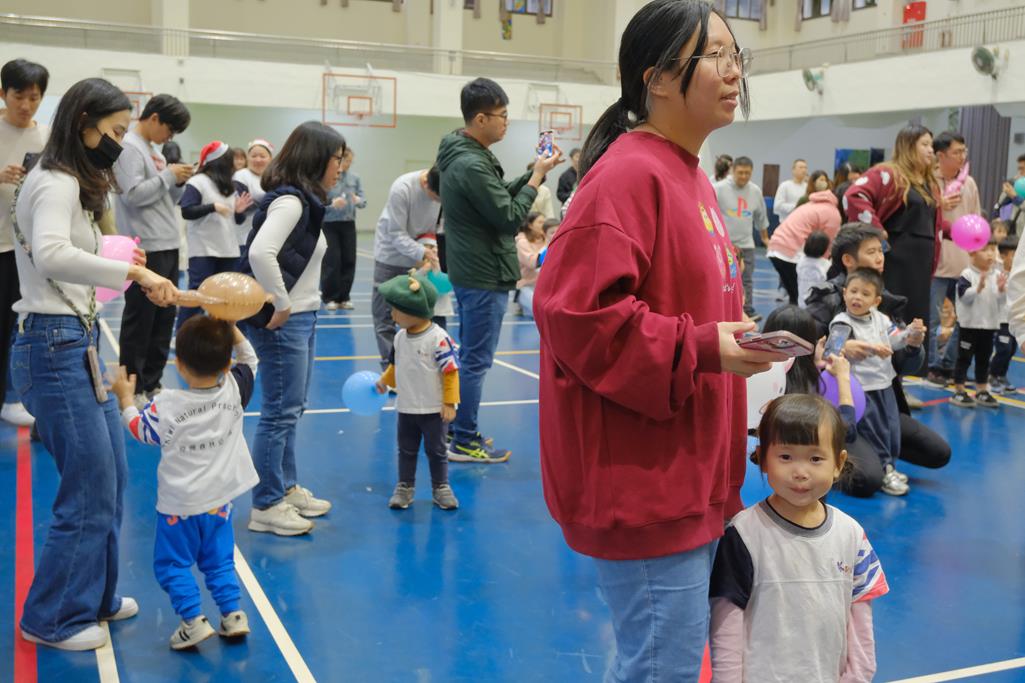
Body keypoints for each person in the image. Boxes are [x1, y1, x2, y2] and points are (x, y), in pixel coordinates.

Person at [533, 3, 788, 679]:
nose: (734, 72)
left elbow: (688, 306)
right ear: (659, 78)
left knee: (662, 663)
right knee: (659, 669)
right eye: (716, 56)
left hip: (689, 470)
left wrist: (737, 339)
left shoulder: (689, 174)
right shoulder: (627, 176)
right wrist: (700, 347)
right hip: (645, 482)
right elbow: (576, 316)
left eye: (737, 56)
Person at [11, 77, 178, 650]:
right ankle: (51, 618)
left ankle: (94, 595)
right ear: (83, 122)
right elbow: (52, 254)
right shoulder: (55, 179)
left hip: (75, 343)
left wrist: (118, 255)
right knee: (87, 487)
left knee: (111, 477)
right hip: (52, 348)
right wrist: (134, 272)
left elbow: (74, 252)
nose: (119, 143)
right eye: (114, 131)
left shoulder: (67, 182)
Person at [709, 393, 887, 682]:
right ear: (763, 459)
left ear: (838, 463)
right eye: (785, 457)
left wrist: (858, 676)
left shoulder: (851, 534)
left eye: (816, 459)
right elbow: (726, 619)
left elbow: (861, 616)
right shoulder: (744, 533)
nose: (800, 472)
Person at [435, 76, 562, 463]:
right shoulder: (471, 164)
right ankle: (464, 440)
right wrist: (536, 179)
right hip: (483, 273)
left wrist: (535, 171)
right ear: (480, 119)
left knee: (468, 356)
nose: (506, 122)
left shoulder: (464, 154)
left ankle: (457, 428)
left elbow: (498, 195)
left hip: (473, 270)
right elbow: (508, 217)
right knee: (476, 360)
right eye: (502, 115)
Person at [111, 317, 257, 650]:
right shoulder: (234, 389)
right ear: (226, 364)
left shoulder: (167, 404)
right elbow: (250, 359)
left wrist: (126, 400)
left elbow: (140, 431)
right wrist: (230, 325)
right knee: (219, 561)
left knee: (172, 564)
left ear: (178, 364)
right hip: (219, 503)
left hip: (179, 507)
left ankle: (193, 621)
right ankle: (233, 614)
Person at [238, 121, 344, 536]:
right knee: (280, 412)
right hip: (288, 322)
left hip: (304, 316)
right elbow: (260, 253)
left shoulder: (304, 202)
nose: (340, 167)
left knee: (290, 409)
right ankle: (266, 505)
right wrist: (281, 302)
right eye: (336, 159)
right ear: (317, 159)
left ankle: (284, 487)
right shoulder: (291, 203)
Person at [805, 223, 951, 492]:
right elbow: (803, 353)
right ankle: (835, 448)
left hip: (881, 395)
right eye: (871, 251)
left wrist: (912, 344)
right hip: (840, 407)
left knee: (938, 452)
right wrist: (835, 349)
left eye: (881, 251)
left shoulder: (884, 305)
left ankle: (878, 456)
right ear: (848, 260)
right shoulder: (825, 301)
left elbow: (902, 361)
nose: (880, 257)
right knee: (867, 479)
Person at [113, 94, 193, 407]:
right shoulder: (130, 148)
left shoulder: (153, 151)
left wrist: (178, 182)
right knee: (141, 319)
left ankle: (153, 382)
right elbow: (132, 195)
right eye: (169, 130)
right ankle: (133, 386)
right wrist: (168, 175)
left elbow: (165, 198)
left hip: (167, 242)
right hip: (145, 246)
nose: (169, 138)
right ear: (155, 118)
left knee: (164, 316)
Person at [844, 124, 942, 374]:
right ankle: (882, 374)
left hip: (920, 265)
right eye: (924, 144)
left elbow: (931, 223)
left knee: (913, 322)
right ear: (908, 146)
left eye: (931, 145)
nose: (931, 150)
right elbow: (854, 195)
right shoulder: (888, 173)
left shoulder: (929, 183)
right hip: (896, 261)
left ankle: (902, 377)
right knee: (892, 317)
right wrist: (878, 232)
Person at [761, 305, 884, 498]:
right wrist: (843, 377)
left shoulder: (758, 372)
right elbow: (848, 431)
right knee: (869, 476)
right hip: (833, 431)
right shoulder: (809, 386)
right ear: (811, 344)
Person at [830, 268, 926, 495]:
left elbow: (896, 340)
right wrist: (870, 348)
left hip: (885, 386)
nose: (857, 297)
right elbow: (832, 350)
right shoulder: (841, 322)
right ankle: (884, 470)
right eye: (853, 291)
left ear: (876, 300)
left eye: (865, 294)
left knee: (890, 429)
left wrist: (911, 334)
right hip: (863, 390)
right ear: (844, 293)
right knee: (874, 431)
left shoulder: (881, 319)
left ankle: (890, 466)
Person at [374, 272, 461, 510]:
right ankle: (405, 487)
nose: (391, 315)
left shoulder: (438, 338)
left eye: (396, 310)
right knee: (406, 450)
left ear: (414, 311)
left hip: (434, 410)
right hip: (406, 408)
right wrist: (384, 381)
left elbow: (451, 372)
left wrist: (449, 403)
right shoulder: (400, 338)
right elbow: (395, 366)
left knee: (437, 451)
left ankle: (441, 487)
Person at [0, 58, 49, 427]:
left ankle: (13, 396)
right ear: (3, 93)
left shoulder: (47, 137)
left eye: (34, 97)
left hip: (30, 249)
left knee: (22, 326)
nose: (26, 105)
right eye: (19, 96)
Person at [371, 167, 442, 368]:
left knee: (419, 318)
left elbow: (437, 226)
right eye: (436, 197)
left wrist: (431, 246)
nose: (438, 202)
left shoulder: (444, 187)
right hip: (391, 258)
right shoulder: (402, 188)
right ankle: (390, 370)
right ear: (426, 183)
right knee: (385, 319)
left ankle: (416, 368)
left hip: (421, 258)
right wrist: (423, 252)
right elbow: (396, 233)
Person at [176, 140, 251, 329]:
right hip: (203, 249)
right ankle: (183, 333)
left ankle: (219, 336)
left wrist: (239, 212)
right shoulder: (197, 182)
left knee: (224, 297)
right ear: (220, 162)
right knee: (198, 294)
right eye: (230, 159)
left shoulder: (230, 186)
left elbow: (237, 220)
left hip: (229, 249)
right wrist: (212, 207)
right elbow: (187, 211)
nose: (234, 164)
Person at [927, 131, 981, 386]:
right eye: (956, 152)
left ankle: (949, 364)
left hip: (963, 264)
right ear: (940, 155)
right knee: (931, 319)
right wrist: (938, 205)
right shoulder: (928, 180)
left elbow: (976, 221)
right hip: (936, 264)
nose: (962, 156)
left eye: (963, 151)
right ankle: (931, 366)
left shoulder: (969, 183)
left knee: (966, 318)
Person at [766, 179, 841, 304]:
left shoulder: (812, 204)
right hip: (791, 252)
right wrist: (824, 265)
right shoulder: (833, 213)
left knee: (794, 296)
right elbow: (827, 245)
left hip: (775, 248)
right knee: (802, 297)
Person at [949, 240, 1005, 408]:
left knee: (984, 359)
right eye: (985, 250)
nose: (990, 254)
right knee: (964, 358)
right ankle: (959, 390)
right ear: (972, 253)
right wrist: (978, 288)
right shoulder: (967, 274)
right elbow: (964, 297)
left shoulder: (996, 275)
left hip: (989, 325)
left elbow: (1000, 301)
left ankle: (981, 390)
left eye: (993, 250)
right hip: (969, 325)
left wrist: (1002, 290)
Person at [715, 155, 769, 321]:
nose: (744, 176)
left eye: (747, 173)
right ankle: (721, 309)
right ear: (733, 170)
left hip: (746, 244)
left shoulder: (755, 191)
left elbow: (761, 217)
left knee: (746, 279)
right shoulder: (718, 188)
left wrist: (765, 238)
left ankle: (746, 310)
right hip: (724, 245)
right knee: (721, 279)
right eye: (740, 173)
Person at [322, 148, 366, 311]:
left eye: (350, 162)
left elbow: (363, 201)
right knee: (332, 261)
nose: (348, 164)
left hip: (348, 223)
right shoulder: (326, 176)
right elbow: (319, 199)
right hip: (329, 223)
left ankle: (345, 297)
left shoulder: (355, 178)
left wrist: (358, 200)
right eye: (346, 160)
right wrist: (331, 203)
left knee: (349, 260)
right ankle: (330, 297)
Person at [990, 236, 1018, 394]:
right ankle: (992, 375)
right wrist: (1000, 289)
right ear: (1003, 256)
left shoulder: (1018, 275)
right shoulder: (997, 274)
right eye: (1012, 255)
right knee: (1004, 349)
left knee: (1012, 349)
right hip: (1002, 320)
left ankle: (1001, 375)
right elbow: (995, 297)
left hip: (1014, 320)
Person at [232, 138, 274, 247]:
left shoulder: (275, 177)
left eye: (262, 156)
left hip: (269, 238)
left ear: (270, 158)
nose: (258, 160)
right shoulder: (241, 176)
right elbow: (242, 210)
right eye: (254, 156)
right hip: (245, 238)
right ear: (248, 158)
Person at [515, 211, 546, 317]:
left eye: (544, 222)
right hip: (526, 286)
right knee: (540, 312)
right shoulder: (522, 242)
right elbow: (532, 263)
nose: (543, 225)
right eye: (540, 222)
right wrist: (549, 251)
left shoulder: (546, 240)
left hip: (545, 287)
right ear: (530, 225)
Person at [796, 230, 831, 308]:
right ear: (825, 248)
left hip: (801, 302)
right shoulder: (826, 264)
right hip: (817, 305)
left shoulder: (800, 260)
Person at [993, 154, 1025, 236]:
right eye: (1019, 169)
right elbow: (1000, 203)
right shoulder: (1017, 185)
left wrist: (1016, 197)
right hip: (1015, 231)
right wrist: (1009, 188)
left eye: (1023, 169)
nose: (1021, 172)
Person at [772, 158, 808, 225]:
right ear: (793, 170)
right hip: (786, 224)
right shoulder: (785, 186)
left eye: (805, 168)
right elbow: (777, 206)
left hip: (803, 224)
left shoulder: (808, 188)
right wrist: (796, 207)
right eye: (801, 167)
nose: (804, 170)